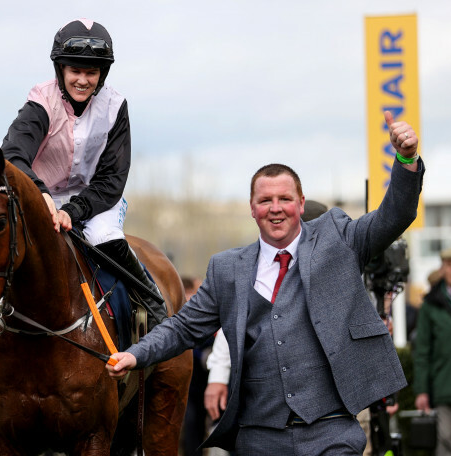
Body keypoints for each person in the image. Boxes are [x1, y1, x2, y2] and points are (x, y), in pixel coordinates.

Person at [107, 111, 423, 455]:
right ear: (252, 209)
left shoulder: (338, 238)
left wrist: (405, 158)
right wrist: (135, 355)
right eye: (265, 201)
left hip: (332, 431)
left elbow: (395, 215)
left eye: (285, 199)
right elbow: (182, 329)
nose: (276, 208)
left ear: (301, 204)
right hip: (258, 438)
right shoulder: (226, 269)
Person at [1, 18, 167, 330]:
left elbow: (112, 178)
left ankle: (152, 302)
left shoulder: (115, 106)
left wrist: (73, 211)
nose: (82, 80)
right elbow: (12, 155)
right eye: (75, 70)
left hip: (95, 200)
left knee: (104, 236)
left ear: (101, 74)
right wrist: (43, 195)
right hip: (40, 197)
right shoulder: (40, 102)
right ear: (60, 69)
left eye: (91, 72)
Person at [203, 200, 329, 423]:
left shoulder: (333, 270)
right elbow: (231, 324)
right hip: (261, 402)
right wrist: (218, 377)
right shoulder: (257, 268)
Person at [413, 247, 451, 456]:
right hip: (444, 385)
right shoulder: (431, 305)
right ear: (443, 268)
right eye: (448, 265)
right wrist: (422, 390)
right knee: (445, 439)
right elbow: (423, 350)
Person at [180, 275, 211, 456]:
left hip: (203, 383)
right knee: (191, 426)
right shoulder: (182, 317)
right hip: (190, 384)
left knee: (197, 427)